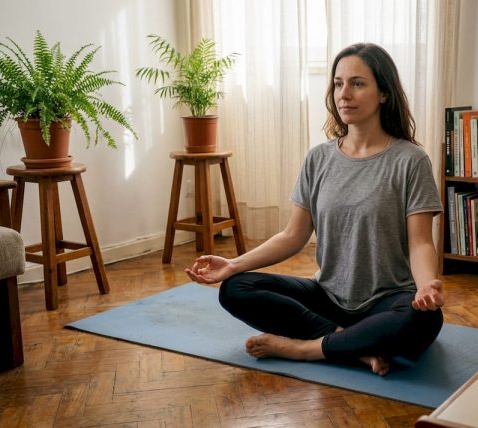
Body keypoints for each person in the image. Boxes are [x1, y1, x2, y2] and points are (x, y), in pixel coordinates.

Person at [185, 43, 444, 376]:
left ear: (383, 93)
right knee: (235, 289)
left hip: (387, 300)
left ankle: (303, 349)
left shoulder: (410, 160)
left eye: (357, 83)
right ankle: (349, 344)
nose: (344, 94)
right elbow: (293, 236)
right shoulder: (318, 159)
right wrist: (233, 265)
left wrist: (426, 286)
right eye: (338, 84)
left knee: (424, 318)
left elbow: (420, 242)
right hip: (327, 298)